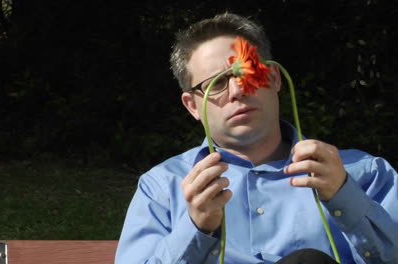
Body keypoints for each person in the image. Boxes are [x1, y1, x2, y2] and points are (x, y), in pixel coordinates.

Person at [115, 13, 398, 264]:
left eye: (249, 72)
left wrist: (345, 197)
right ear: (192, 106)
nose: (238, 90)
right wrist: (196, 228)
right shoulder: (162, 188)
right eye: (217, 83)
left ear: (274, 77)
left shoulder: (364, 174)